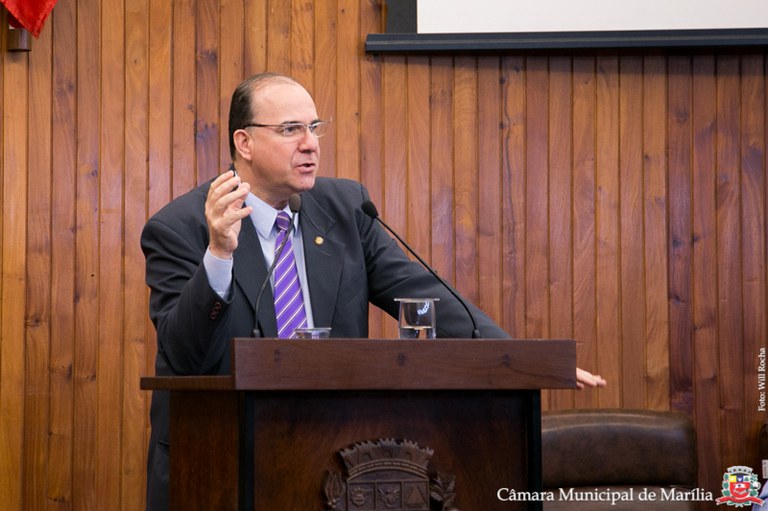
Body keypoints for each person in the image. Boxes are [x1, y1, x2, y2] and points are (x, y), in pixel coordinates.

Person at [140, 71, 606, 510]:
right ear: (244, 142)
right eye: (290, 130)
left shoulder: (345, 207)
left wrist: (518, 360)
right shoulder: (180, 228)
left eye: (315, 128)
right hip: (219, 461)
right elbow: (184, 355)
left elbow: (419, 291)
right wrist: (220, 254)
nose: (310, 144)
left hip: (331, 458)